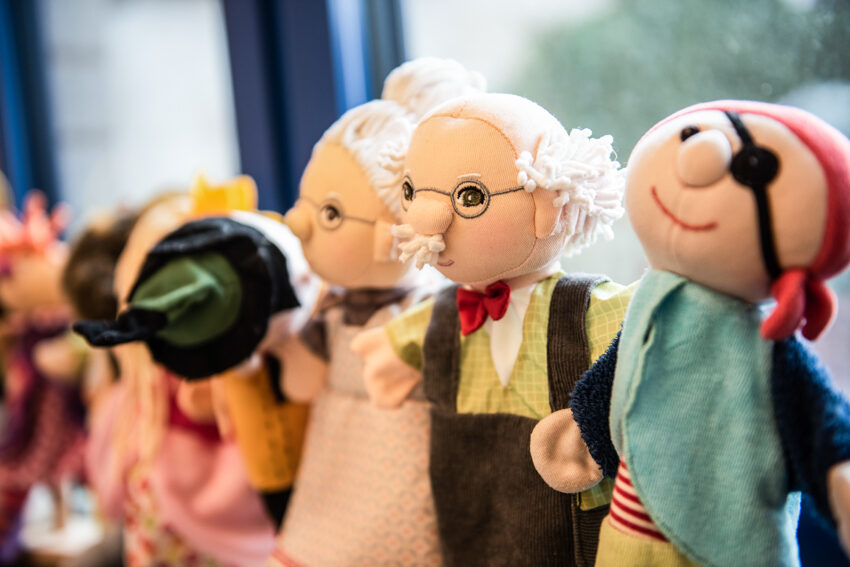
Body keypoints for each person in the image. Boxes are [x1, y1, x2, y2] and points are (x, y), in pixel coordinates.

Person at [548, 100, 850, 567]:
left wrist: (837, 468)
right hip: (629, 530)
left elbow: (816, 421)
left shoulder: (767, 346)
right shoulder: (653, 300)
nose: (700, 159)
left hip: (729, 546)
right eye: (690, 137)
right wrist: (585, 428)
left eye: (752, 166)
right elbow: (622, 370)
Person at [353, 92, 630, 566]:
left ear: (550, 198)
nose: (427, 222)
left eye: (470, 197)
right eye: (412, 192)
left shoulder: (587, 309)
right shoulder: (442, 314)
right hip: (467, 531)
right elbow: (390, 353)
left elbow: (649, 341)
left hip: (569, 535)